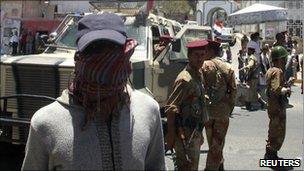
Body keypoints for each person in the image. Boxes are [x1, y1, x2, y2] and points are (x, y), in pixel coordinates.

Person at [22, 12, 166, 170]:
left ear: (125, 53)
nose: (104, 59)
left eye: (112, 49)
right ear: (79, 58)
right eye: (94, 50)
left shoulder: (148, 110)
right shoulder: (44, 123)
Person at [165, 39, 209, 170]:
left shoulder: (198, 75)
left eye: (202, 55)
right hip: (185, 136)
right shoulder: (185, 79)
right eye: (196, 55)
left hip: (195, 132)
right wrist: (171, 136)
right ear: (189, 56)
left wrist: (200, 134)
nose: (200, 59)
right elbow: (171, 108)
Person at [202, 40, 237, 171]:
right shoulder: (227, 67)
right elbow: (234, 90)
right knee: (217, 144)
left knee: (213, 143)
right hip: (222, 113)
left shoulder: (204, 66)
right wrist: (229, 108)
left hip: (207, 113)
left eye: (205, 51)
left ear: (210, 51)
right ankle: (218, 166)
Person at [264, 46, 294, 170]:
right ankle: (270, 157)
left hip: (272, 105)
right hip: (277, 106)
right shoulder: (278, 71)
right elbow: (275, 88)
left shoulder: (271, 70)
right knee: (278, 131)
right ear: (280, 59)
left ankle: (271, 155)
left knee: (273, 129)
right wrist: (285, 90)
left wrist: (287, 84)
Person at [242, 42, 267, 110]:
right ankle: (262, 103)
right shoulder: (253, 57)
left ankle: (248, 105)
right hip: (254, 77)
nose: (247, 51)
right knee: (253, 92)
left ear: (251, 50)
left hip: (252, 77)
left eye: (248, 50)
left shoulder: (252, 58)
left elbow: (251, 64)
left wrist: (247, 66)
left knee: (249, 92)